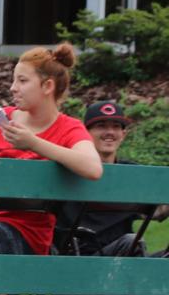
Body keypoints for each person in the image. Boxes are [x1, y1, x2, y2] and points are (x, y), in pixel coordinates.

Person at [0, 42, 102, 256]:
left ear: (47, 86)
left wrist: (33, 143)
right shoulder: (0, 121)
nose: (13, 87)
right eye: (14, 80)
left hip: (24, 233)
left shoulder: (68, 128)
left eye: (22, 80)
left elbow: (93, 168)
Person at [58, 101, 169, 257]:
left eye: (116, 126)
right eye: (101, 126)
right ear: (85, 133)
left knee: (131, 243)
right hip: (80, 258)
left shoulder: (132, 173)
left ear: (123, 134)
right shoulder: (70, 170)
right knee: (131, 242)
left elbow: (157, 210)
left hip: (126, 254)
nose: (109, 132)